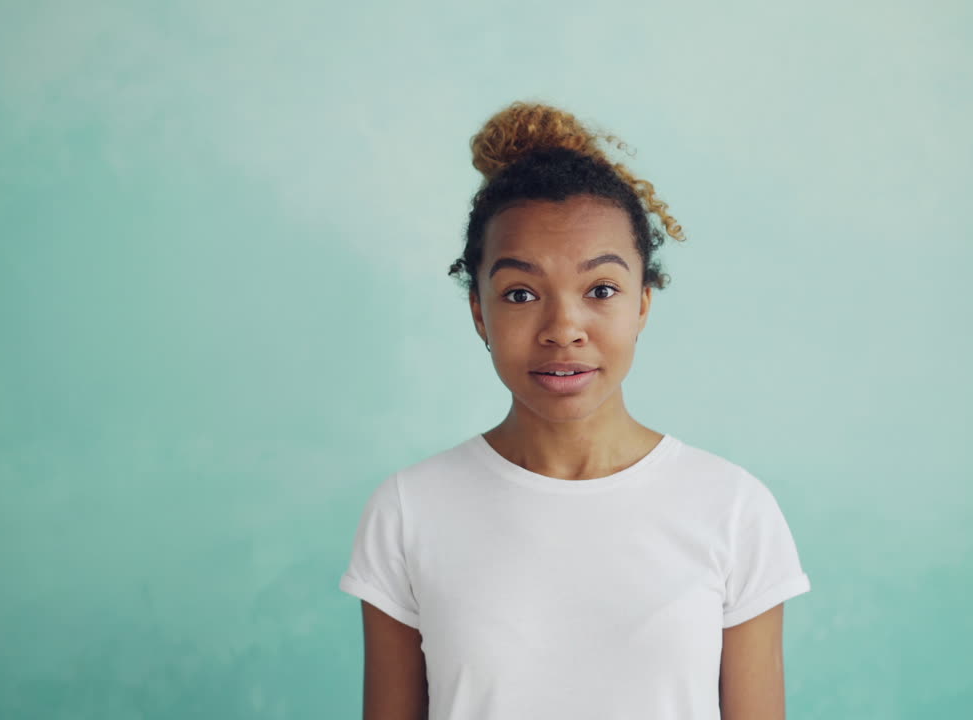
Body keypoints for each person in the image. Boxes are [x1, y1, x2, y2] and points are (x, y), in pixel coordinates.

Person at [339, 100, 811, 719]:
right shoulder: (409, 511)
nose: (564, 328)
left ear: (643, 304)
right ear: (479, 312)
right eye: (521, 293)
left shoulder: (733, 510)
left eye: (602, 290)